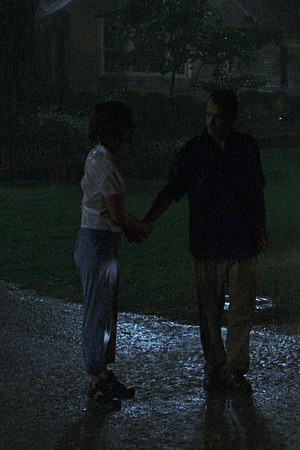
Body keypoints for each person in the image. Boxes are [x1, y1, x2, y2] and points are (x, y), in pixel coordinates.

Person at [142, 88, 268, 393]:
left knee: (241, 310)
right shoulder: (195, 150)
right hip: (207, 243)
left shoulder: (245, 147)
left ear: (231, 118)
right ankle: (215, 366)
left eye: (217, 117)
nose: (211, 122)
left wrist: (260, 229)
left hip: (241, 241)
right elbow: (173, 189)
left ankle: (234, 368)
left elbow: (256, 192)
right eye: (208, 115)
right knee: (210, 312)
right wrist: (148, 219)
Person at [73, 100, 151, 409]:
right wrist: (140, 227)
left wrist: (128, 231)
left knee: (104, 311)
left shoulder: (101, 158)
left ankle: (103, 375)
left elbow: (112, 214)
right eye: (128, 125)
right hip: (97, 241)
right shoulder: (103, 162)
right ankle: (96, 380)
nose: (133, 130)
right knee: (98, 312)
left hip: (102, 239)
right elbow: (116, 213)